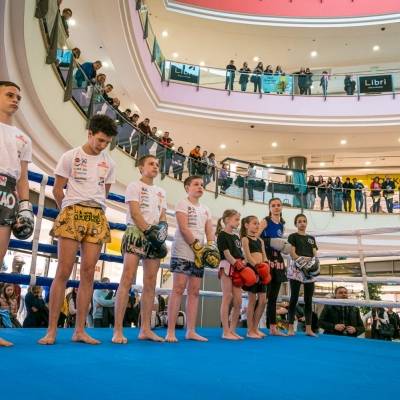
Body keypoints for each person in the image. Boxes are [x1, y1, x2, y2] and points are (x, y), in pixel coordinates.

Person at [38, 114, 117, 345]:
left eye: (107, 142)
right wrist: (68, 211)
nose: (102, 145)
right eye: (100, 140)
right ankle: (51, 331)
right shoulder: (70, 156)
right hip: (72, 211)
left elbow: (103, 193)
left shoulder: (110, 163)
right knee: (63, 270)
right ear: (90, 133)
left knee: (89, 273)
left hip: (96, 214)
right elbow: (57, 190)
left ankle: (80, 330)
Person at [112, 155, 167, 344]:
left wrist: (161, 232)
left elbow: (162, 216)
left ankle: (145, 329)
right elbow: (135, 213)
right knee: (127, 278)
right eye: (151, 163)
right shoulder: (134, 186)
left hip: (154, 236)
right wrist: (149, 231)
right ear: (141, 168)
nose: (155, 166)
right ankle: (118, 330)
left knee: (150, 282)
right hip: (136, 231)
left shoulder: (161, 191)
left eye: (157, 164)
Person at [0, 81, 33, 347]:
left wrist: (25, 205)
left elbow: (23, 177)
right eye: (9, 94)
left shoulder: (24, 138)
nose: (15, 100)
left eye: (18, 97)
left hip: (8, 192)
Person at [166, 175, 215, 342]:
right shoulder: (182, 203)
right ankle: (170, 331)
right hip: (183, 250)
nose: (200, 187)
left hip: (199, 255)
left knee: (194, 291)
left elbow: (209, 231)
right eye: (196, 184)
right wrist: (197, 247)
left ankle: (191, 331)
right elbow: (183, 228)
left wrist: (211, 247)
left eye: (202, 185)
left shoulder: (206, 209)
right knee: (178, 288)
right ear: (187, 187)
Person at [217, 210, 256, 340]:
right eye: (236, 219)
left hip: (238, 267)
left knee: (238, 301)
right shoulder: (222, 235)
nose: (238, 222)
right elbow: (226, 253)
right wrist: (236, 264)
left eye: (239, 220)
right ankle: (225, 331)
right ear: (227, 219)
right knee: (227, 297)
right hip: (227, 266)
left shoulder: (235, 237)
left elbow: (240, 253)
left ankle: (232, 330)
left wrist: (243, 263)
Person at [259, 198, 289, 336]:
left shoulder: (282, 224)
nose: (276, 207)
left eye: (278, 205)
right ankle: (253, 326)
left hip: (278, 260)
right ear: (269, 208)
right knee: (263, 296)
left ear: (281, 207)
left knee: (273, 297)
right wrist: (270, 241)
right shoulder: (265, 221)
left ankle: (272, 328)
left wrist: (283, 246)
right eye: (273, 205)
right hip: (266, 258)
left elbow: (279, 243)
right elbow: (255, 237)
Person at [287, 214, 319, 337]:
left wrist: (312, 263)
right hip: (296, 266)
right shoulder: (293, 236)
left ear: (306, 223)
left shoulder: (311, 238)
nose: (302, 223)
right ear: (296, 224)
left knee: (308, 300)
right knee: (294, 298)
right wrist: (301, 262)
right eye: (299, 221)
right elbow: (292, 253)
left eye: (304, 221)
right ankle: (290, 328)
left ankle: (308, 329)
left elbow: (314, 253)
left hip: (309, 267)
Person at [240, 216, 270, 338]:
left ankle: (255, 328)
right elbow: (247, 257)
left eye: (258, 223)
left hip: (262, 271)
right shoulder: (245, 239)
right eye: (254, 223)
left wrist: (266, 267)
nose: (257, 225)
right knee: (252, 300)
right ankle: (249, 330)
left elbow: (264, 255)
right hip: (252, 270)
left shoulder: (260, 241)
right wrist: (257, 268)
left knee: (263, 301)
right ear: (247, 225)